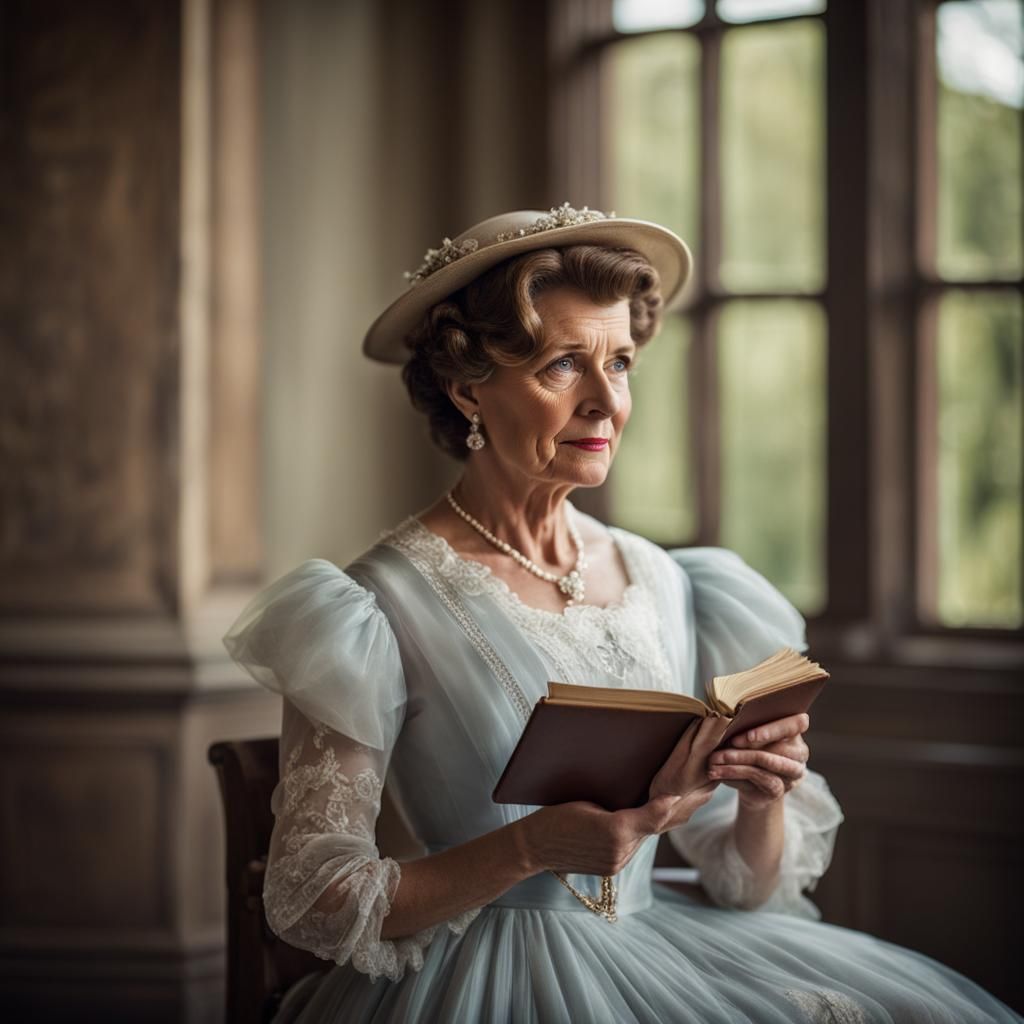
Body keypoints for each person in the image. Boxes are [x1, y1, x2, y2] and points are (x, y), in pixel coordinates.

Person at [223, 204, 1022, 1023]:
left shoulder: (672, 582)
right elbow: (314, 898)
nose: (607, 403)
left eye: (622, 362)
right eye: (565, 365)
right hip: (487, 977)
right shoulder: (373, 605)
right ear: (468, 388)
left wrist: (761, 797)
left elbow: (743, 888)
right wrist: (529, 847)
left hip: (665, 945)